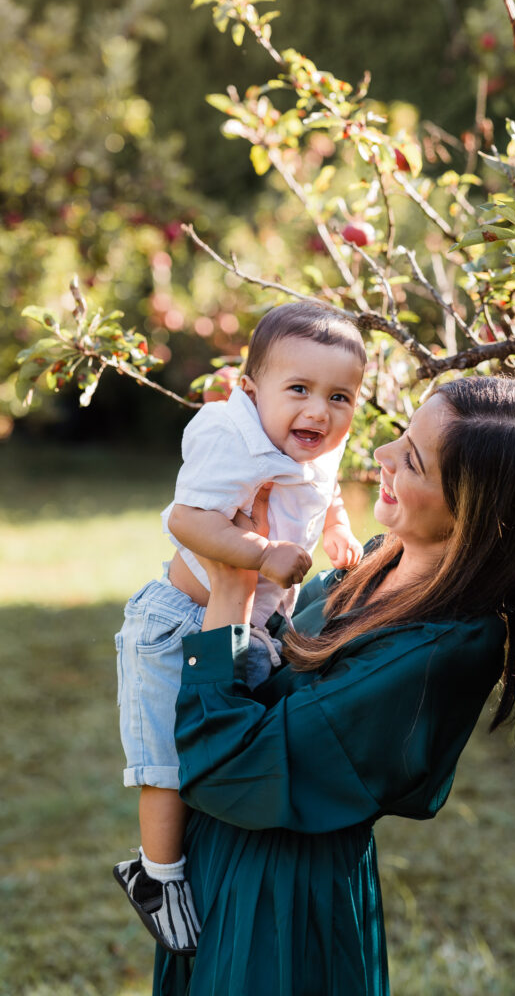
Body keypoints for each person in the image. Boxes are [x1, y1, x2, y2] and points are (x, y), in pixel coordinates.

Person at [148, 374, 515, 996]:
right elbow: (270, 670)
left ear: (473, 509)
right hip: (219, 860)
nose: (380, 454)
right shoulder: (381, 559)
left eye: (411, 459)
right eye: (400, 436)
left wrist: (229, 593)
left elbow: (230, 770)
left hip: (282, 896)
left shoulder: (442, 644)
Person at [113, 302, 367, 956]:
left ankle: (198, 860)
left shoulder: (312, 442)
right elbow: (186, 520)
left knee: (220, 753)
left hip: (250, 626)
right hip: (179, 623)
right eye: (299, 390)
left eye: (339, 396)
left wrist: (335, 525)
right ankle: (156, 875)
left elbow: (323, 486)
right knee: (165, 764)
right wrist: (256, 554)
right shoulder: (230, 435)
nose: (318, 411)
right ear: (251, 393)